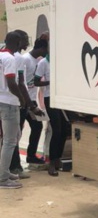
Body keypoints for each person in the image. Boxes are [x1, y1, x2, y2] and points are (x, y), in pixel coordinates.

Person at [0, 32, 33, 189]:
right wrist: (21, 99)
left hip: (2, 101)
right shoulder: (10, 59)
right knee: (10, 141)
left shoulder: (1, 56)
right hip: (9, 103)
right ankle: (3, 179)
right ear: (18, 42)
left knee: (13, 137)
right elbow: (12, 82)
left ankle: (4, 171)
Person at [11, 34, 47, 174]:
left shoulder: (36, 60)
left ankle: (31, 156)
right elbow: (21, 83)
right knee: (16, 133)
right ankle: (15, 165)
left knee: (37, 126)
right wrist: (28, 104)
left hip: (30, 100)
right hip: (24, 101)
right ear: (42, 48)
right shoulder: (24, 60)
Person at [34, 49, 67, 177]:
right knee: (56, 129)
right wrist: (50, 82)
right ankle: (52, 162)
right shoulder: (43, 63)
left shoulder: (61, 61)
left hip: (62, 97)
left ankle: (58, 158)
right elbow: (36, 81)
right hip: (50, 98)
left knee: (64, 129)